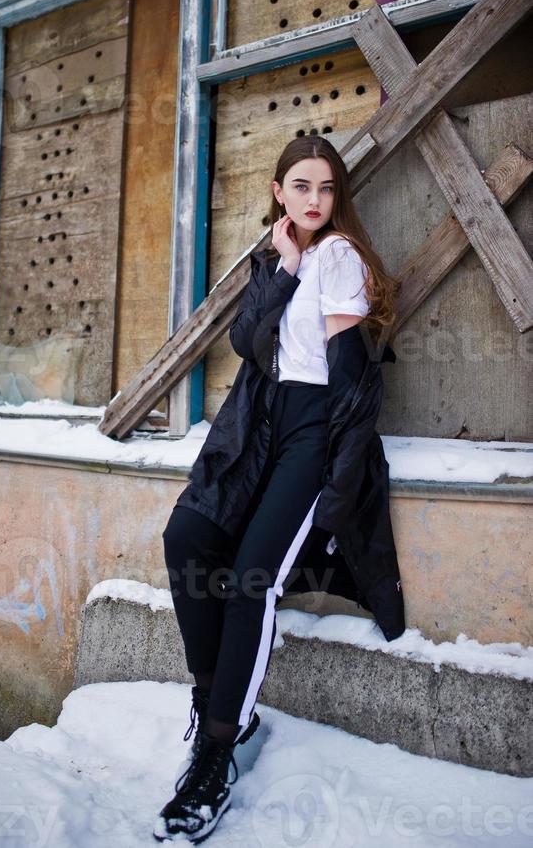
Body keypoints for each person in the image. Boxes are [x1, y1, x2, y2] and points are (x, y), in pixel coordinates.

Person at [153, 136, 401, 844]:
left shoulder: (342, 257)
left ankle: (216, 753)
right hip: (260, 426)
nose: (315, 200)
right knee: (188, 538)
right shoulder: (282, 259)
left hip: (312, 432)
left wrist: (339, 478)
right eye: (301, 186)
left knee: (250, 581)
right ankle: (217, 706)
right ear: (278, 192)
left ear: (337, 194)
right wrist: (285, 267)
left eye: (326, 187)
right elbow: (247, 342)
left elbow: (352, 378)